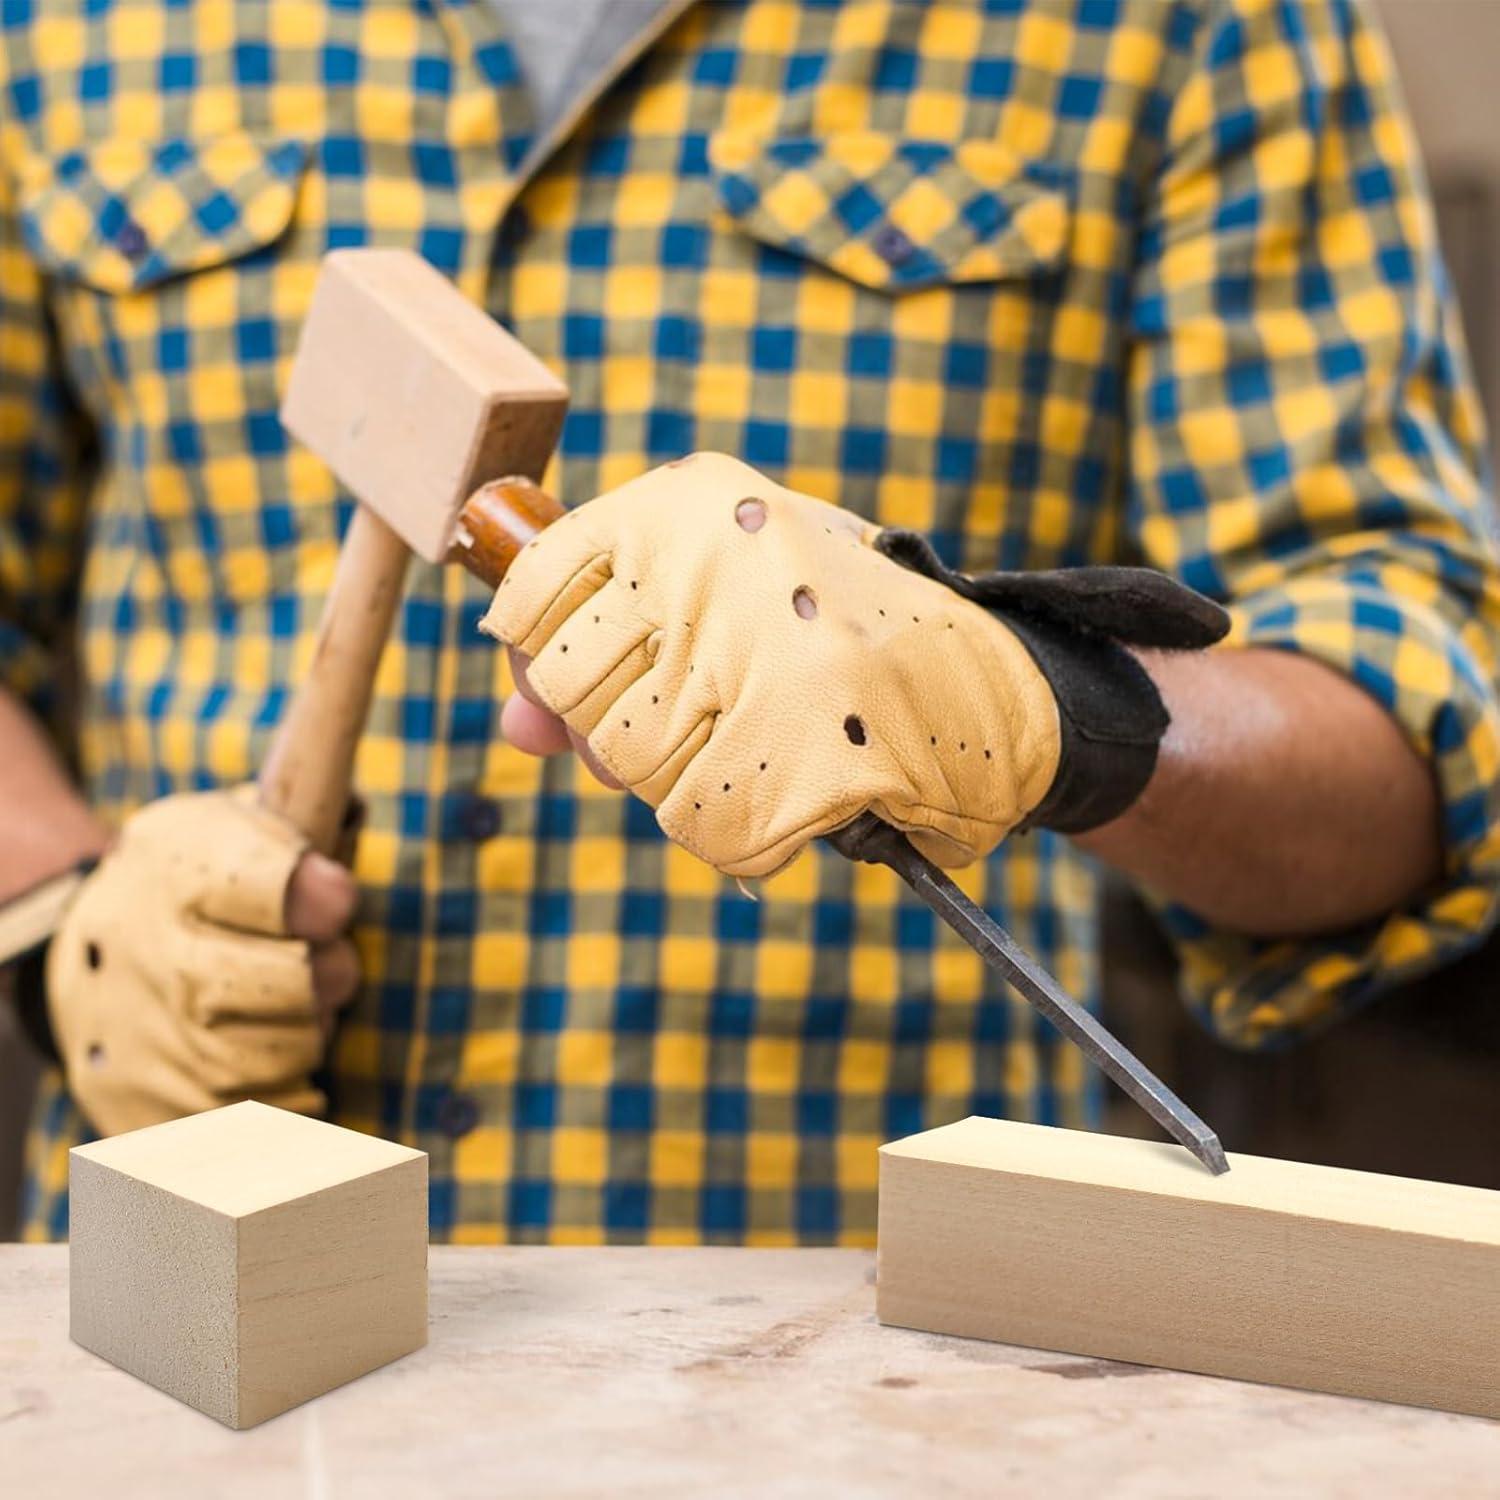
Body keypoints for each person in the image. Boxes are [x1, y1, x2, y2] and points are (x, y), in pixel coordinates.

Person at [2, 0, 1497, 1244]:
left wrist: (1045, 707)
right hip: (178, 1304)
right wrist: (62, 927)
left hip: (871, 1372)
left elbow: (1423, 737)